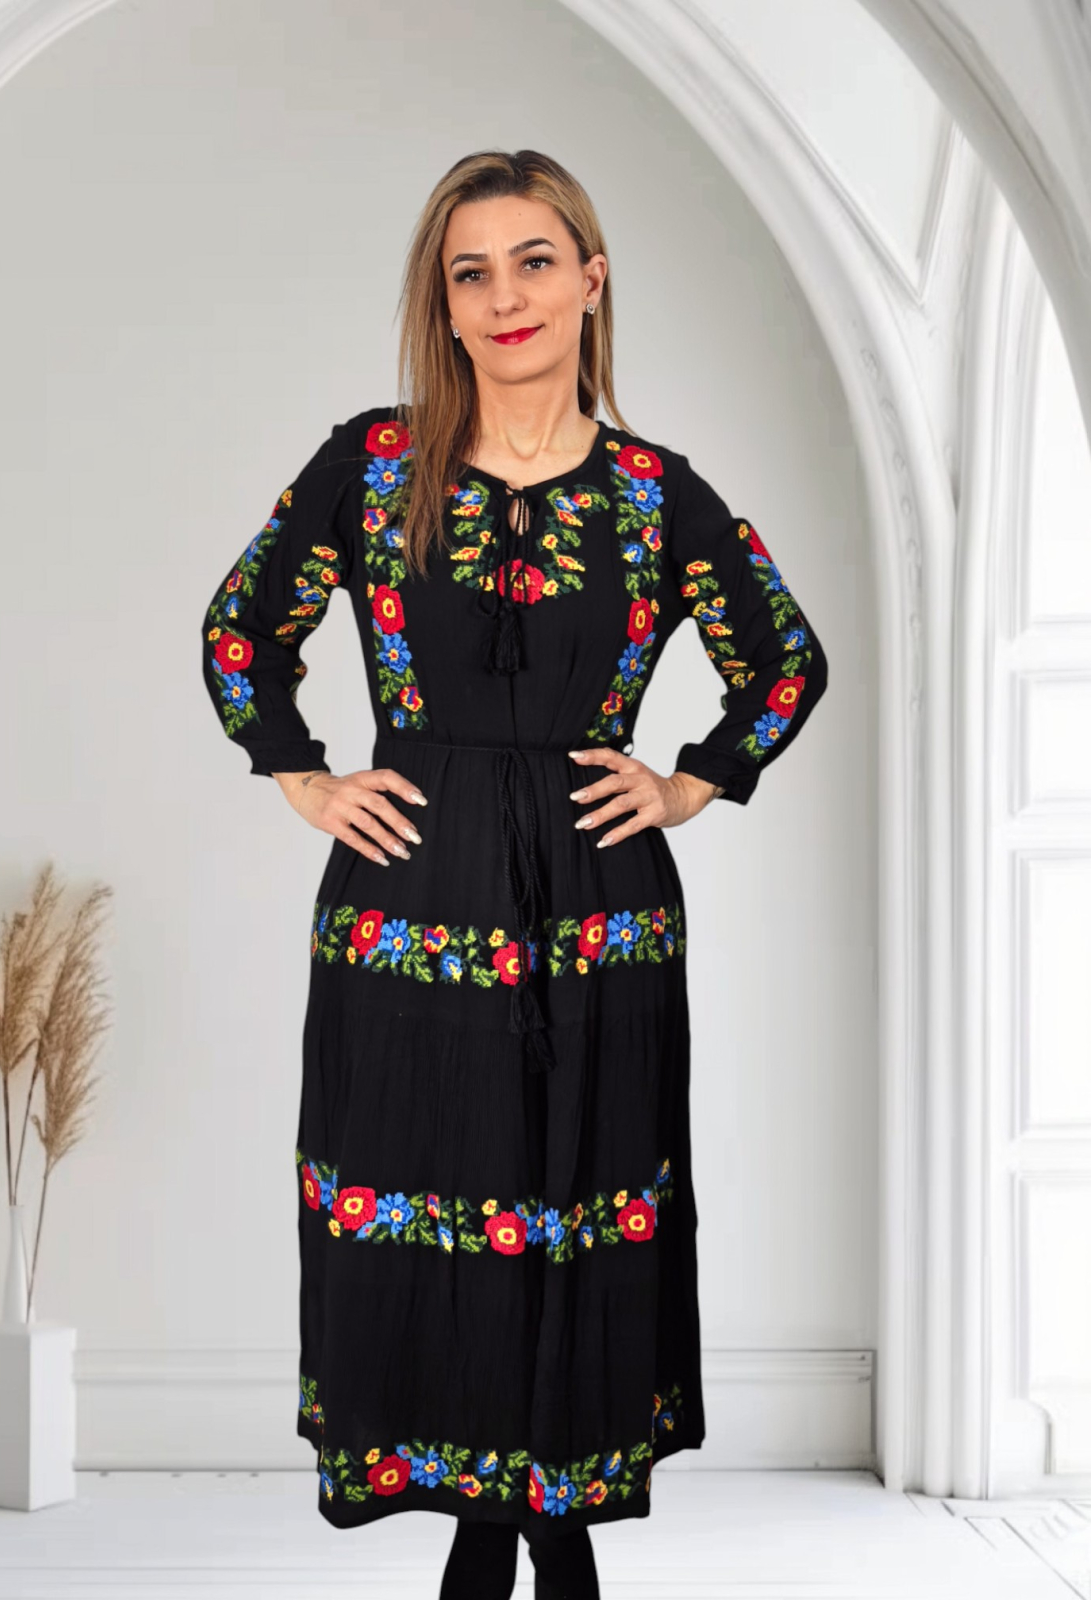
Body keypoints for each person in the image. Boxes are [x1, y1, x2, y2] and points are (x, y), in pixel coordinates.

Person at [200, 147, 828, 1600]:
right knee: (434, 1188)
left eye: (534, 261)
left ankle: (557, 1521)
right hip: (413, 902)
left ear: (591, 280)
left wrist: (688, 781)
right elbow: (242, 629)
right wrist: (307, 778)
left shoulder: (656, 496)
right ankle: (492, 1528)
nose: (505, 296)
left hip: (601, 910)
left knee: (578, 1195)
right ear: (444, 301)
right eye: (470, 271)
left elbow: (784, 659)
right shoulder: (374, 466)